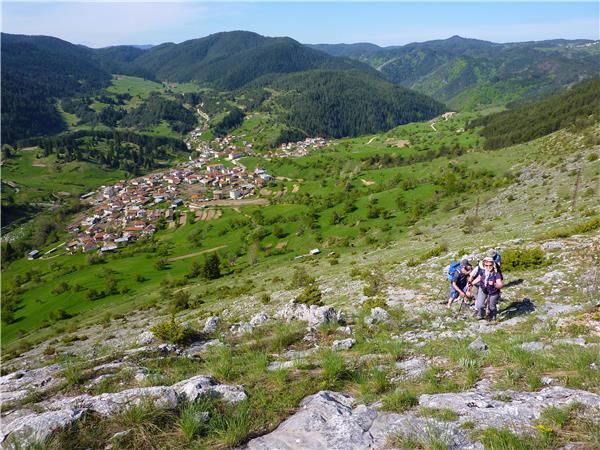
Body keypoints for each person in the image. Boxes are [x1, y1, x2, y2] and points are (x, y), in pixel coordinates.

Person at [472, 256, 503, 320]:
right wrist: (471, 283)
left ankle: (492, 316)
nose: (488, 267)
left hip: (493, 291)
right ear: (484, 265)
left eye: (490, 265)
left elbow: (500, 285)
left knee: (492, 307)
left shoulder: (496, 273)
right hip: (483, 289)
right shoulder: (482, 271)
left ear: (493, 265)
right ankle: (481, 314)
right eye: (486, 265)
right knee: (479, 305)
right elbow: (479, 278)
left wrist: (494, 284)